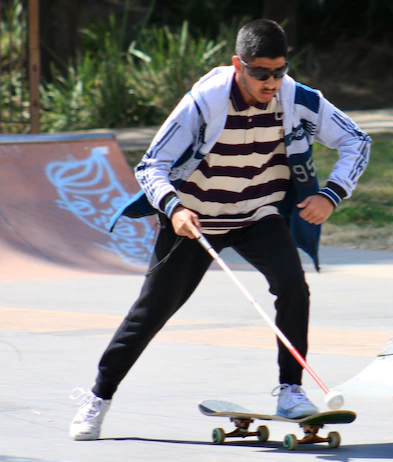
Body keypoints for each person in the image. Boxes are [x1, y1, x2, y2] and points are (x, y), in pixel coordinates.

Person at [69, 19, 370, 441]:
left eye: (279, 70)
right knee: (151, 312)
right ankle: (98, 398)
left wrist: (331, 194)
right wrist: (173, 209)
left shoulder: (299, 99)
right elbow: (150, 165)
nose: (271, 82)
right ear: (237, 65)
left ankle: (291, 391)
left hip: (256, 215)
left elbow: (358, 140)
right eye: (261, 72)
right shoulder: (204, 102)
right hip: (196, 220)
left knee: (293, 288)